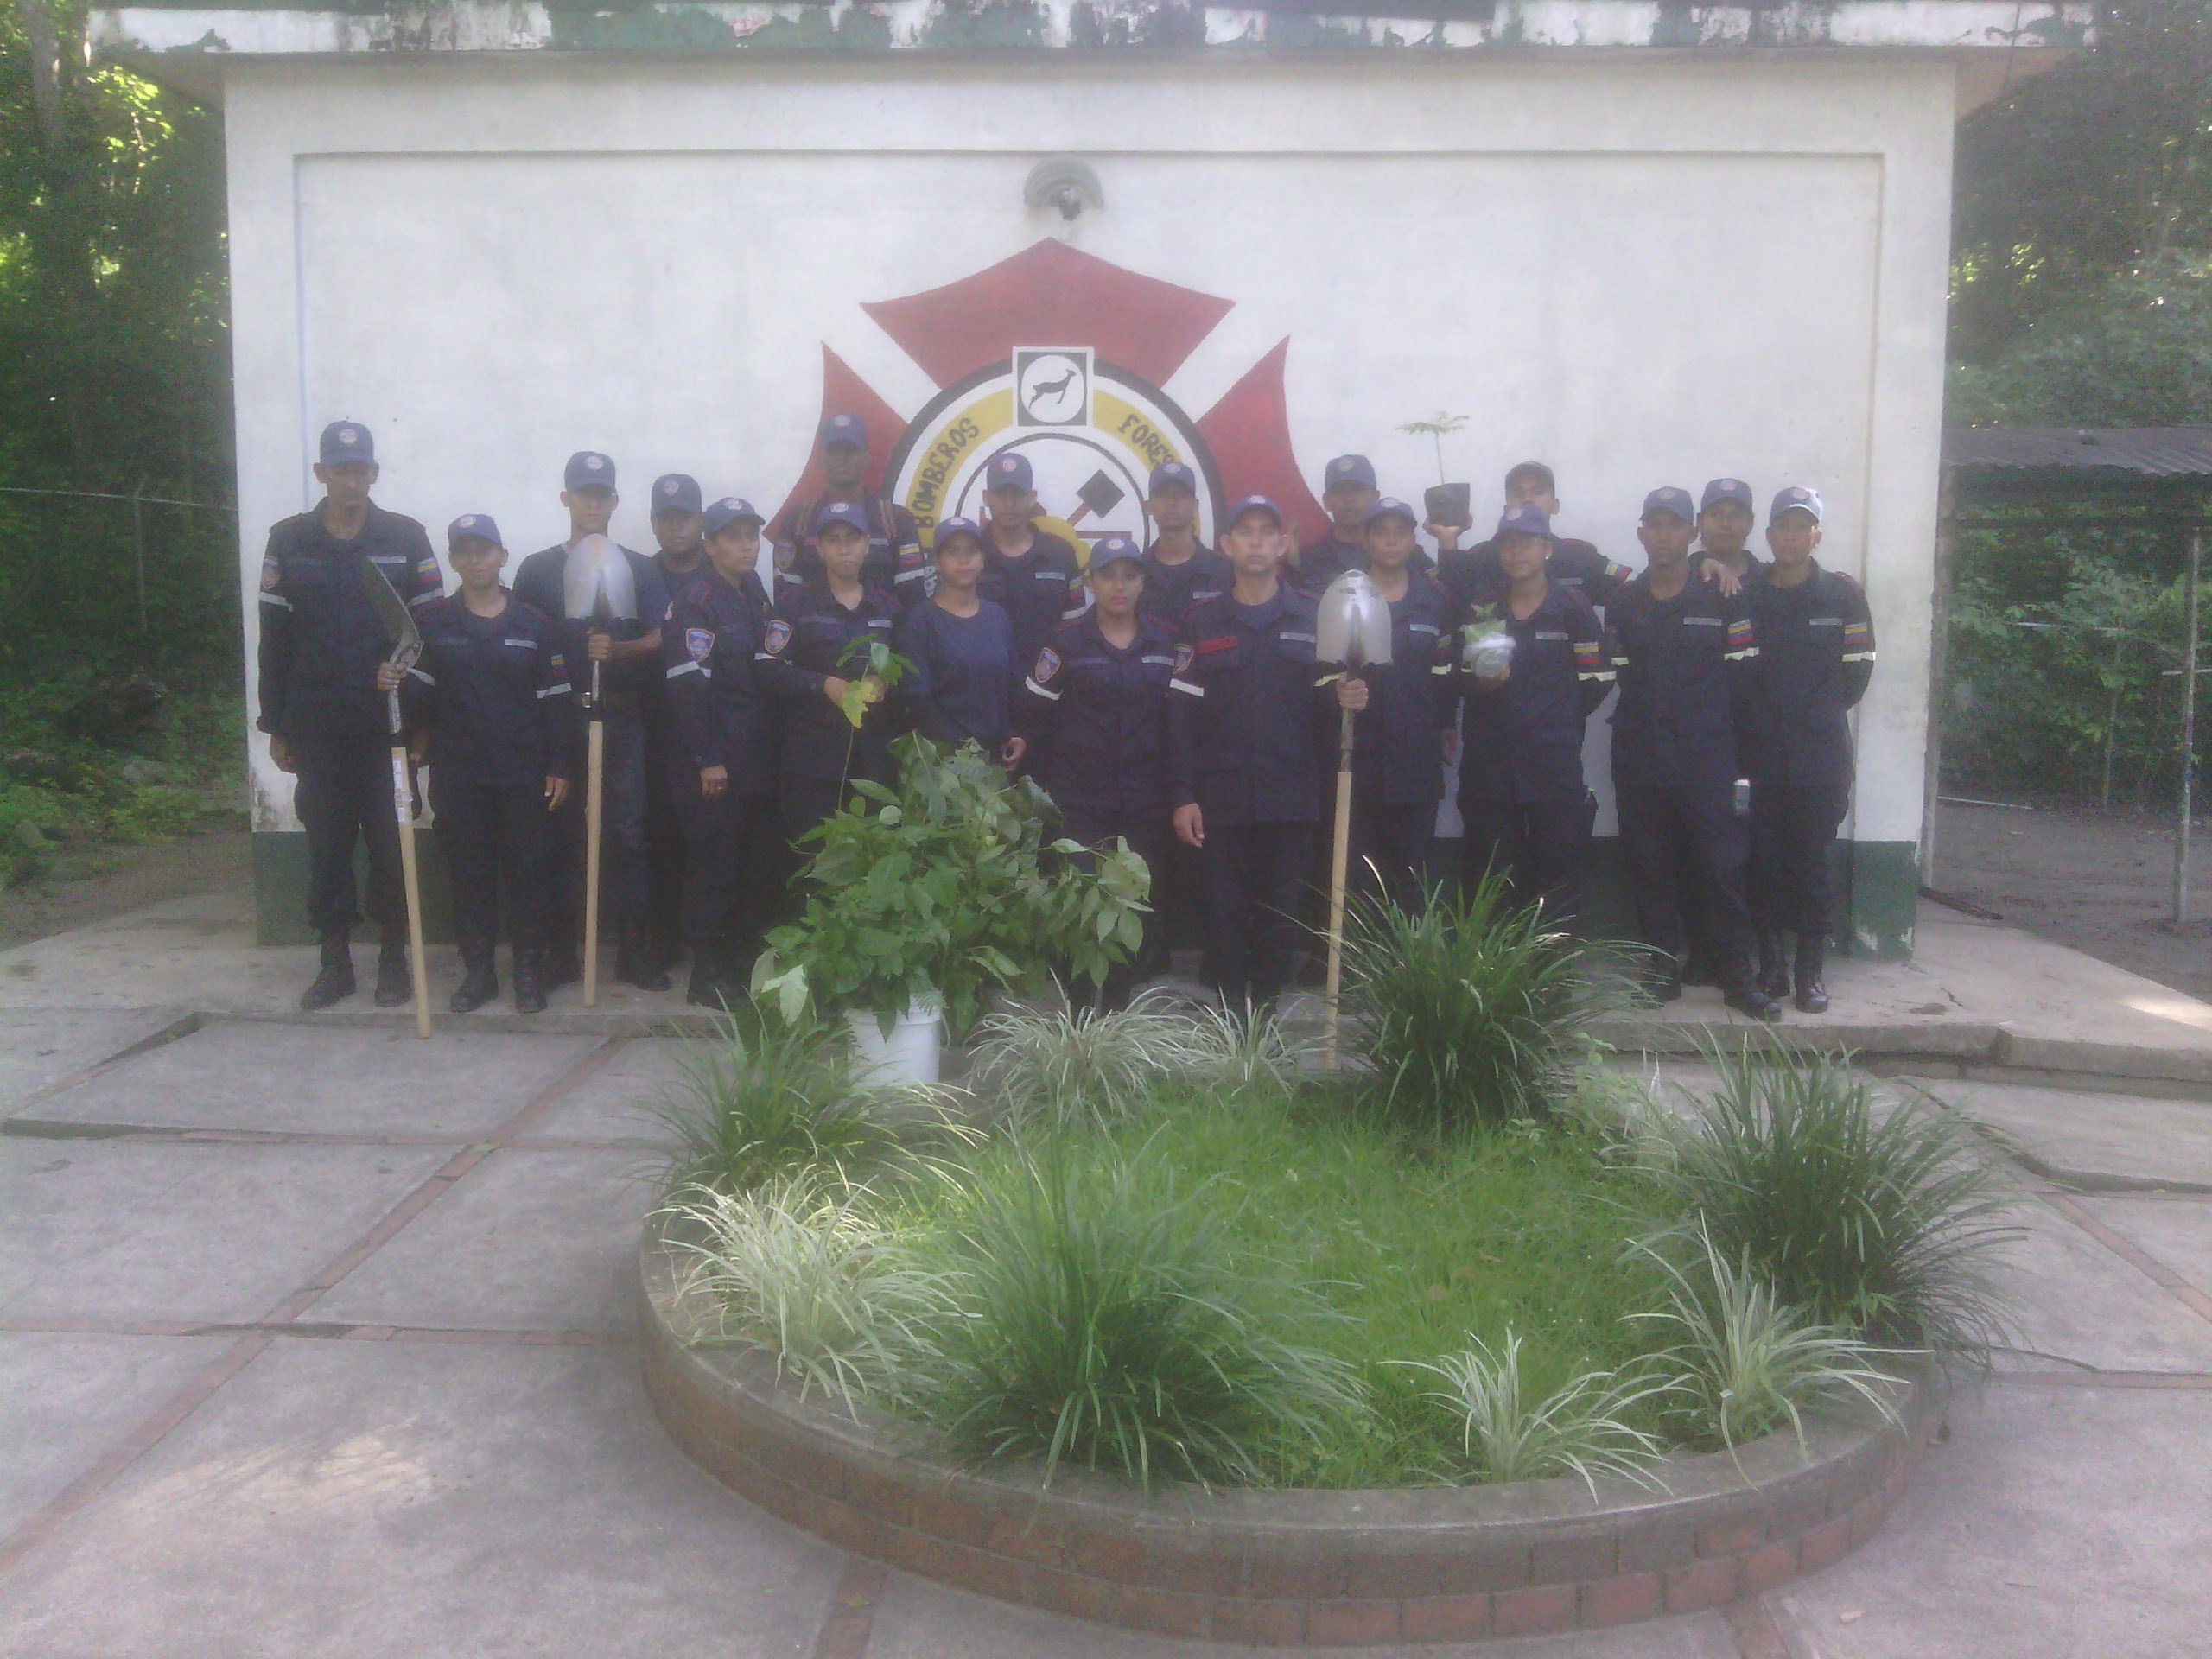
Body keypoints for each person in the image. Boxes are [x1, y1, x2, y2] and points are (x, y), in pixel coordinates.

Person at [256, 420, 444, 1011]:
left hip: (387, 728)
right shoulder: (289, 540)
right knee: (328, 847)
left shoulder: (406, 537)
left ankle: (393, 960)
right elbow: (274, 638)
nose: (352, 480)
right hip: (316, 726)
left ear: (373, 473)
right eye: (341, 470)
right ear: (321, 473)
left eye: (360, 469)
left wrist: (423, 722)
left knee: (391, 845)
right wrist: (275, 726)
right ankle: (334, 962)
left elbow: (430, 636)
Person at [1606, 486, 1779, 1021]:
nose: (1663, 535)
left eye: (1674, 525)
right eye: (1654, 525)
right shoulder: (1624, 601)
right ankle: (1662, 970)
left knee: (1723, 866)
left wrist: (1732, 750)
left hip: (1708, 758)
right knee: (1650, 867)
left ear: (1691, 532)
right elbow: (1620, 673)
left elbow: (1745, 680)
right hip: (1641, 756)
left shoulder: (1723, 594)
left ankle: (1737, 976)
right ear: (1641, 533)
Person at [392, 514, 570, 1014]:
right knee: (470, 876)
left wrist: (560, 765)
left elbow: (556, 702)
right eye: (465, 552)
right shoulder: (431, 625)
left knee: (529, 874)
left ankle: (528, 973)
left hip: (524, 773)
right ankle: (479, 974)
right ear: (453, 560)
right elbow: (418, 699)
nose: (476, 561)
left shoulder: (535, 624)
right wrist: (394, 681)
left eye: (485, 550)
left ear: (502, 557)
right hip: (460, 774)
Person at [512, 452, 672, 993]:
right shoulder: (538, 570)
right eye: (584, 493)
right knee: (559, 834)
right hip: (559, 718)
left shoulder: (638, 568)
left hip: (621, 717)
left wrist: (620, 650)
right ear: (566, 498)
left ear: (615, 501)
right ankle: (562, 954)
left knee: (628, 834)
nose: (594, 503)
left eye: (603, 494)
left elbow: (663, 635)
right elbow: (522, 638)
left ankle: (632, 952)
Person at [1168, 495, 1334, 1011]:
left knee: (1281, 915)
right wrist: (1182, 794)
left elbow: (1329, 710)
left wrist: (1350, 696)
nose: (1256, 542)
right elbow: (1180, 716)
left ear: (1283, 544)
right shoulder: (1200, 622)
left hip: (1291, 796)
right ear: (1226, 545)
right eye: (1245, 532)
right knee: (1222, 914)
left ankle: (1263, 1017)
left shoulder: (1314, 615)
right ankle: (1227, 1020)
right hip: (1220, 798)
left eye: (1267, 532)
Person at [1015, 534, 1178, 999]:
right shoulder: (1065, 641)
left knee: (1131, 906)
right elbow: (1035, 715)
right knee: (1081, 904)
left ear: (1142, 582)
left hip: (1144, 799)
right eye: (1108, 576)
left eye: (1129, 576)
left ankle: (1118, 1012)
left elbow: (1178, 721)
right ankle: (1080, 1012)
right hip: (1081, 800)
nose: (1118, 586)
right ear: (1090, 582)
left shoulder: (1165, 640)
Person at [1745, 486, 1875, 1013]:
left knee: (1813, 864)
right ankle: (1772, 967)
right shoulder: (1749, 593)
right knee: (1763, 862)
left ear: (1816, 535)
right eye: (1783, 526)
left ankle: (1810, 972)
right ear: (1769, 534)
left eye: (1802, 527)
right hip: (1760, 755)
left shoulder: (1842, 596)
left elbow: (1858, 669)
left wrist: (1816, 715)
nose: (1792, 536)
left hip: (1820, 757)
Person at [1453, 504, 1612, 925]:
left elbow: (1597, 679)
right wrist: (1484, 685)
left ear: (1546, 548)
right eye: (1508, 542)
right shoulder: (1485, 608)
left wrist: (1555, 718)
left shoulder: (1572, 607)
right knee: (1491, 874)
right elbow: (1463, 679)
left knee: (1555, 873)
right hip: (1491, 765)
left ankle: (1551, 963)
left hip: (1552, 765)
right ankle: (1490, 963)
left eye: (1527, 541)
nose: (1517, 550)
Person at [663, 496, 779, 1006]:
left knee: (752, 866)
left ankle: (738, 965)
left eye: (752, 536)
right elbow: (688, 688)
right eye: (733, 537)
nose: (747, 546)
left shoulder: (754, 593)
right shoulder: (695, 603)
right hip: (715, 763)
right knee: (714, 868)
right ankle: (706, 975)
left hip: (754, 757)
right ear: (709, 545)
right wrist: (708, 758)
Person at [1331, 499, 1456, 915]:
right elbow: (1322, 672)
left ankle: (1410, 953)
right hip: (1356, 757)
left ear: (1413, 540)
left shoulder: (1434, 599)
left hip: (1415, 760)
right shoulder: (1343, 597)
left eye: (1400, 533)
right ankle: (1358, 953)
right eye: (1381, 532)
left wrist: (1447, 724)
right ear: (1365, 541)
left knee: (1413, 874)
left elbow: (1444, 674)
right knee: (1359, 876)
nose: (1390, 541)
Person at [755, 501, 900, 850]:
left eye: (852, 538)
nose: (843, 548)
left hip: (873, 762)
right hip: (812, 764)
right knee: (815, 861)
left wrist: (886, 682)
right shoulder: (794, 605)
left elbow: (907, 670)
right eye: (833, 540)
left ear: (867, 545)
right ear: (819, 548)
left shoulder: (889, 608)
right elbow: (766, 670)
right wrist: (822, 684)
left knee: (872, 858)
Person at [643, 473, 706, 976]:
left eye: (683, 517)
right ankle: (660, 940)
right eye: (665, 518)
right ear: (653, 523)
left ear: (699, 520)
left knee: (708, 835)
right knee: (659, 834)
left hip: (709, 726)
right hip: (654, 723)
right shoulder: (639, 574)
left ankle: (706, 941)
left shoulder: (728, 572)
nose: (675, 527)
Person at [895, 515, 1022, 763]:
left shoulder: (997, 616)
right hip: (945, 763)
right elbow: (919, 699)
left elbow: (1010, 684)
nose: (964, 560)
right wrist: (958, 757)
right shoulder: (920, 622)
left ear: (982, 559)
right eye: (952, 552)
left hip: (995, 759)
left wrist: (1013, 734)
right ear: (936, 562)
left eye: (972, 551)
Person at [1432, 461, 1635, 613]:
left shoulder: (1580, 558)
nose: (1527, 499)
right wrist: (1447, 540)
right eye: (1518, 493)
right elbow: (1449, 605)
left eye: (1538, 492)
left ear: (1555, 506)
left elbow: (1634, 591)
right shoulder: (1482, 558)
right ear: (1506, 508)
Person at [770, 413, 928, 606]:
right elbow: (786, 601)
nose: (842, 458)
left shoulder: (897, 522)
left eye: (850, 450)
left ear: (866, 457)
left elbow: (913, 601)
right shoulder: (796, 522)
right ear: (821, 458)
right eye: (834, 451)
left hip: (884, 625)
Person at [975, 452, 1088, 668]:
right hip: (983, 682)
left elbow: (1075, 631)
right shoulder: (970, 555)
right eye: (1000, 493)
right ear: (986, 497)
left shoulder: (1061, 555)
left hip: (1048, 682)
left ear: (1032, 497)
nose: (1009, 503)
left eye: (1018, 493)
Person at [1137, 461, 1230, 624]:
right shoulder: (1136, 572)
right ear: (1148, 506)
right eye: (1163, 495)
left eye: (1181, 495)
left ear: (1195, 506)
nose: (1172, 502)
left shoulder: (1225, 572)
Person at [1294, 454, 1379, 594]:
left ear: (1375, 497)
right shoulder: (1305, 563)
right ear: (1326, 501)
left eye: (1358, 489)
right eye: (1339, 491)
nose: (1349, 499)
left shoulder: (1398, 557)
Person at [1694, 476, 1766, 588]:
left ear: (1750, 523)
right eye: (1715, 515)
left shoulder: (1768, 581)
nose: (1725, 524)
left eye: (1735, 515)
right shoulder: (1681, 577)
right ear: (1700, 522)